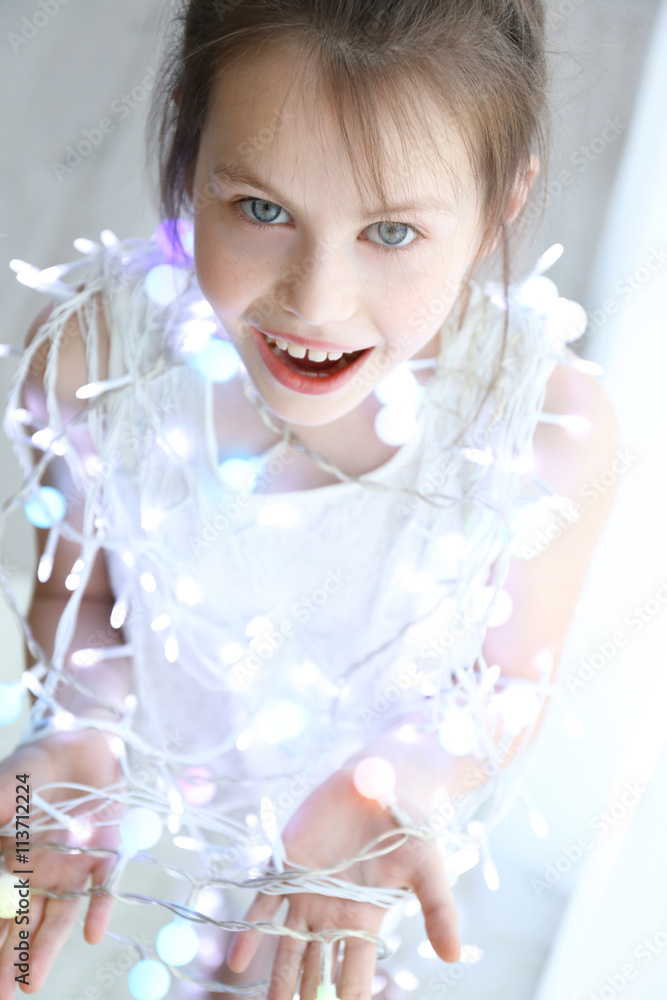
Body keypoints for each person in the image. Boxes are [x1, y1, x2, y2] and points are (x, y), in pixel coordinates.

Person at [0, 1, 620, 998]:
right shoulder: (92, 361)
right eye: (261, 209)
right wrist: (72, 727)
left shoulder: (543, 426)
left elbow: (506, 681)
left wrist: (398, 777)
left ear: (504, 201)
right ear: (188, 151)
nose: (315, 302)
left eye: (389, 231)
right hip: (172, 787)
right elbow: (79, 597)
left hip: (375, 831)